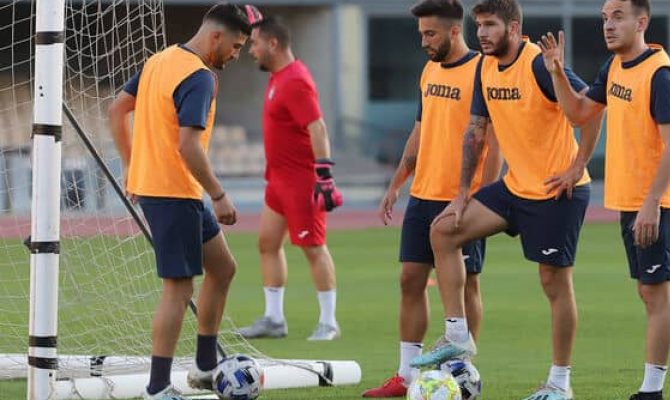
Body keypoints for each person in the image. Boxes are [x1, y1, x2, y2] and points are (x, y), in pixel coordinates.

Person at [538, 0, 670, 399]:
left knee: (657, 293)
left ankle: (652, 391)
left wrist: (652, 204)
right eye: (604, 18)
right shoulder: (613, 68)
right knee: (651, 290)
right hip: (629, 198)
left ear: (641, 21)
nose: (608, 25)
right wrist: (557, 73)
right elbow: (578, 114)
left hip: (656, 202)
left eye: (618, 17)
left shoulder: (659, 74)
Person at [409, 1, 602, 399]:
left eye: (490, 25)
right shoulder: (483, 66)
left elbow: (589, 111)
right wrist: (463, 194)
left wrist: (578, 164)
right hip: (514, 188)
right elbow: (475, 132)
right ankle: (458, 336)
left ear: (513, 28)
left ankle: (560, 385)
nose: (481, 32)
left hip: (556, 191)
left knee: (554, 282)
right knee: (443, 231)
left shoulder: (538, 64)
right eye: (478, 25)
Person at [107, 3, 260, 399]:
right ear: (216, 37)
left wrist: (130, 165)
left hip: (172, 189)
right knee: (178, 290)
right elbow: (189, 146)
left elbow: (117, 109)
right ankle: (158, 388)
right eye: (236, 46)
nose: (235, 54)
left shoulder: (160, 60)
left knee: (223, 268)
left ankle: (205, 366)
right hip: (174, 192)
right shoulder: (199, 77)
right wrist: (220, 195)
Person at [362, 0, 502, 397]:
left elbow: (495, 140)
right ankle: (405, 375)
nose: (423, 41)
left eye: (430, 34)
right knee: (410, 280)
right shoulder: (429, 70)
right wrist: (396, 182)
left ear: (455, 31)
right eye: (421, 33)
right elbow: (421, 130)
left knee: (467, 283)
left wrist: (483, 198)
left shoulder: (482, 70)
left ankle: (462, 369)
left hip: (463, 198)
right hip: (424, 194)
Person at [238, 14, 344, 342]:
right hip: (278, 181)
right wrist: (257, 21)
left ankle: (329, 322)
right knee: (267, 243)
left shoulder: (296, 80)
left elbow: (318, 127)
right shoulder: (278, 76)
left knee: (313, 248)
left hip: (301, 182)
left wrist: (324, 175)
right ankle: (273, 319)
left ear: (273, 43)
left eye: (254, 43)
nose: (249, 50)